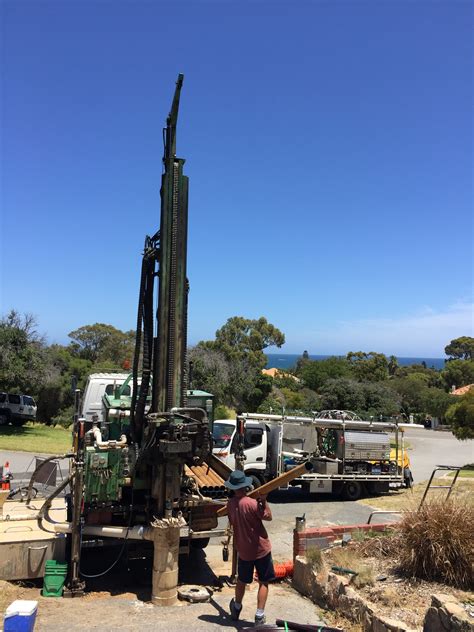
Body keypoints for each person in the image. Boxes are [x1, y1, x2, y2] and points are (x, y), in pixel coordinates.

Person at [224, 469, 275, 626]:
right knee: (264, 581)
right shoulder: (253, 504)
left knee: (242, 580)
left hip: (244, 551)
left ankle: (236, 608)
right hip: (260, 550)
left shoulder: (230, 505)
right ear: (245, 486)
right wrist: (263, 501)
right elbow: (268, 516)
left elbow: (233, 522)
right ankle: (259, 616)